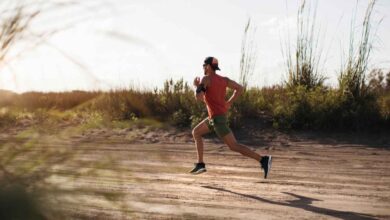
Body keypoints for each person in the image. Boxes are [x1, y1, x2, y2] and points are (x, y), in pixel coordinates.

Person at [190, 56, 272, 179]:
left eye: (204, 66)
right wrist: (229, 102)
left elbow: (198, 97)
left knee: (234, 146)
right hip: (215, 118)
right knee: (196, 132)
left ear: (208, 67)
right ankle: (200, 164)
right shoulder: (224, 80)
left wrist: (197, 86)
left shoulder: (205, 78)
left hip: (218, 119)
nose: (203, 68)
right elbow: (240, 88)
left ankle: (263, 160)